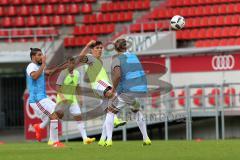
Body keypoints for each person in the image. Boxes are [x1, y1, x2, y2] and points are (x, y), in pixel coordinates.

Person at [103, 38, 151, 146]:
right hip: (140, 88)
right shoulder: (134, 56)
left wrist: (113, 90)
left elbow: (118, 75)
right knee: (136, 110)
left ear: (115, 48)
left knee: (110, 111)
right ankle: (146, 138)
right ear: (126, 47)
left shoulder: (117, 59)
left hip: (128, 90)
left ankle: (109, 140)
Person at [78, 40, 126, 146]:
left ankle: (104, 139)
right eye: (97, 48)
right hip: (99, 85)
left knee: (109, 113)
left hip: (100, 87)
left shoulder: (99, 61)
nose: (100, 50)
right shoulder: (90, 58)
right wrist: (87, 45)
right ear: (92, 50)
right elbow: (80, 58)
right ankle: (116, 120)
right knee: (115, 97)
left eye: (101, 48)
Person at [26, 48, 64, 148]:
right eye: (39, 55)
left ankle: (40, 127)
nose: (41, 57)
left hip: (43, 98)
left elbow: (49, 72)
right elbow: (34, 76)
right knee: (54, 115)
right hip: (36, 100)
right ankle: (55, 142)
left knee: (59, 112)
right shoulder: (31, 66)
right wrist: (43, 65)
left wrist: (64, 66)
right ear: (33, 57)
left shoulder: (38, 67)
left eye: (42, 55)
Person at [53, 57, 96, 145]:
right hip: (62, 100)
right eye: (70, 63)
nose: (72, 65)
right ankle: (53, 139)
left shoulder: (77, 73)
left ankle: (85, 139)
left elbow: (77, 86)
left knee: (78, 117)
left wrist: (80, 97)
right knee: (55, 118)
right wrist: (62, 97)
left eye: (73, 63)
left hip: (72, 99)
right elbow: (57, 87)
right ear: (67, 64)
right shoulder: (63, 73)